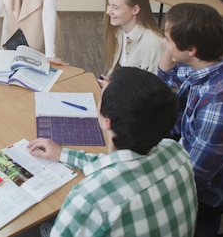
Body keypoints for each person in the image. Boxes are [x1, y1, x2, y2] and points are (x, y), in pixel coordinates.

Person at [28, 67, 198, 237]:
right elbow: (122, 163)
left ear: (107, 122)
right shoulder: (176, 151)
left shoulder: (90, 201)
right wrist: (63, 154)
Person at [157, 3, 223, 236]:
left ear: (192, 50)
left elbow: (193, 180)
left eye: (167, 38)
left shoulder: (222, 105)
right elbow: (170, 77)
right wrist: (172, 48)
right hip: (185, 148)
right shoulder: (219, 58)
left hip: (204, 198)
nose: (163, 42)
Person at [98, 0, 164, 88]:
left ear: (135, 9)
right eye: (109, 5)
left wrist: (113, 88)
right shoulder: (119, 31)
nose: (108, 12)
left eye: (116, 8)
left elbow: (152, 92)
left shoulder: (153, 43)